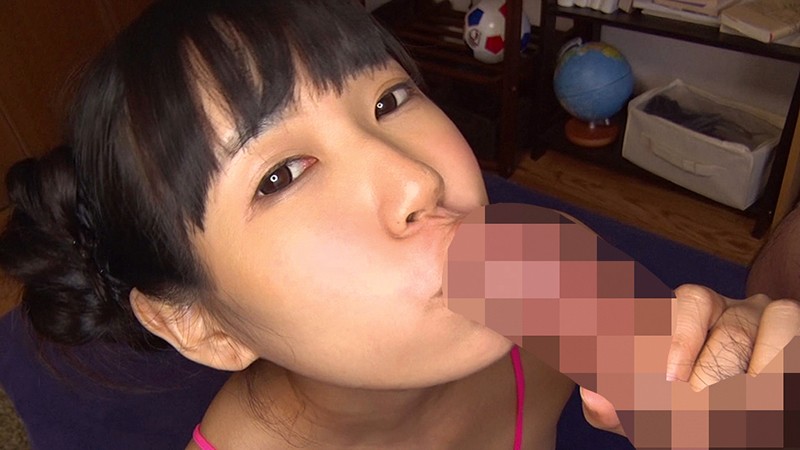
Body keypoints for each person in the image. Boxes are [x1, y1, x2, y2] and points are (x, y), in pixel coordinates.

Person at [0, 0, 797, 448]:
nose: (418, 177)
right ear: (202, 326)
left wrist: (752, 387)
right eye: (280, 175)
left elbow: (715, 402)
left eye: (388, 99)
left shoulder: (551, 271)